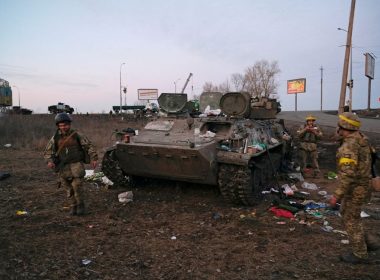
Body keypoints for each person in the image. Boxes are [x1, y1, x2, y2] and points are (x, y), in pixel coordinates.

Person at [329, 112, 373, 264]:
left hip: (355, 189)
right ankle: (368, 242)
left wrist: (336, 196)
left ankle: (360, 253)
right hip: (363, 185)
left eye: (339, 126)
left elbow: (348, 174)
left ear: (343, 128)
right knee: (349, 215)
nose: (337, 128)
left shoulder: (349, 146)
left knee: (351, 219)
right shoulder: (361, 138)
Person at [44, 113, 98, 216]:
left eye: (65, 125)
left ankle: (81, 207)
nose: (63, 127)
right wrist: (49, 161)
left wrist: (94, 158)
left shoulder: (77, 135)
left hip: (76, 165)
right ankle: (73, 207)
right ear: (58, 126)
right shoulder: (55, 138)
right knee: (68, 188)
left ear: (69, 124)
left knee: (77, 186)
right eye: (61, 125)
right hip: (63, 167)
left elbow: (89, 146)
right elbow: (47, 151)